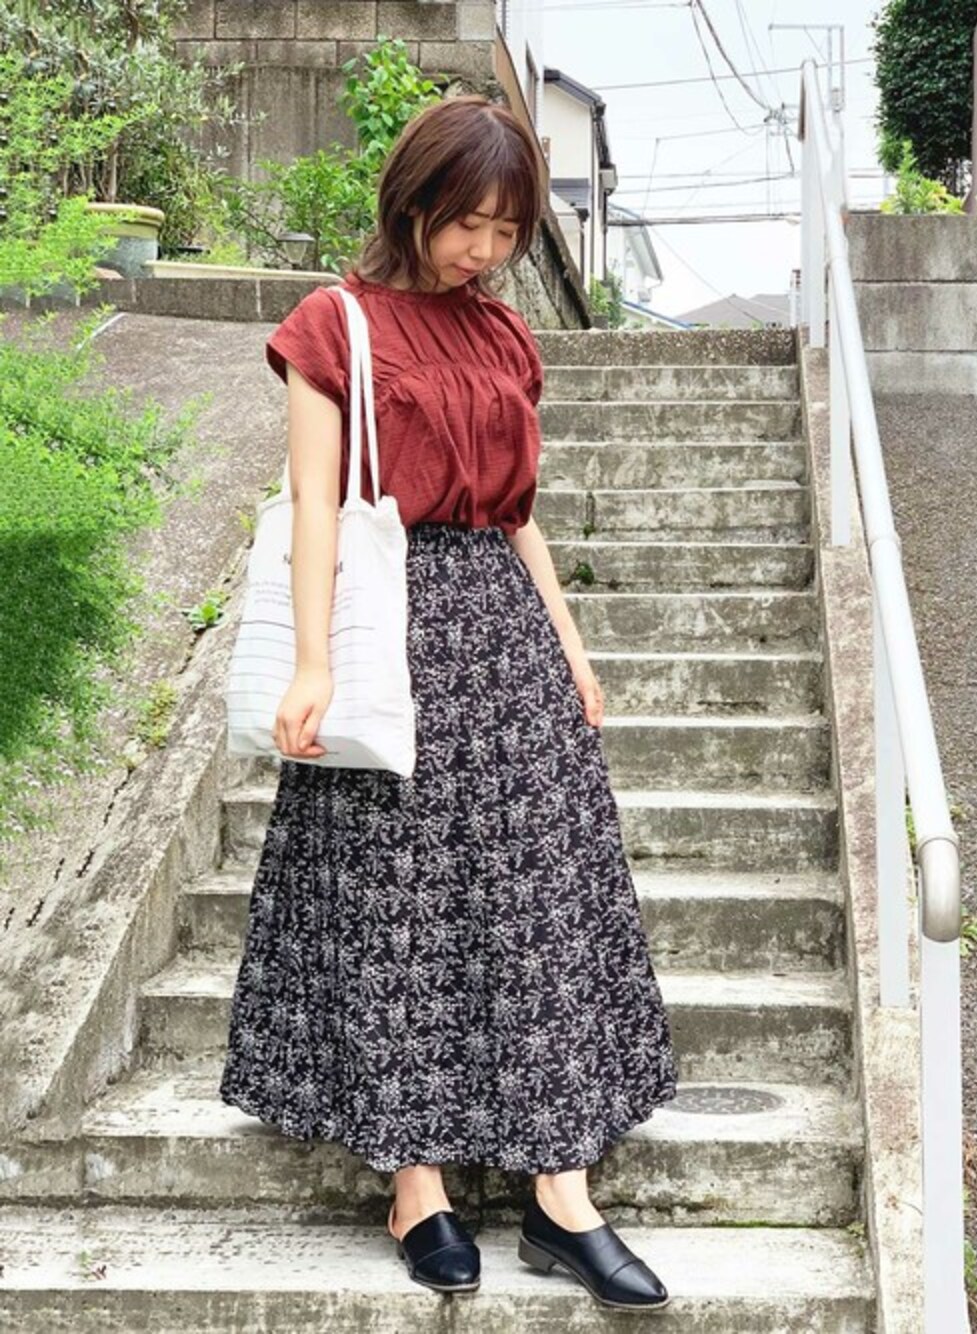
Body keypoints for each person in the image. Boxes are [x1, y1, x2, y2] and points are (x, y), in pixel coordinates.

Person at [219, 93, 679, 1311]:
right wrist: (312, 662)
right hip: (389, 627)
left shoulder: (507, 336)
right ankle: (414, 1186)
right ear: (412, 203)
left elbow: (518, 511)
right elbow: (316, 506)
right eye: (466, 222)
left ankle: (560, 1195)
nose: (483, 248)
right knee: (396, 903)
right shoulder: (334, 326)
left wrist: (569, 645)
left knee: (538, 898)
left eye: (506, 229)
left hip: (505, 635)